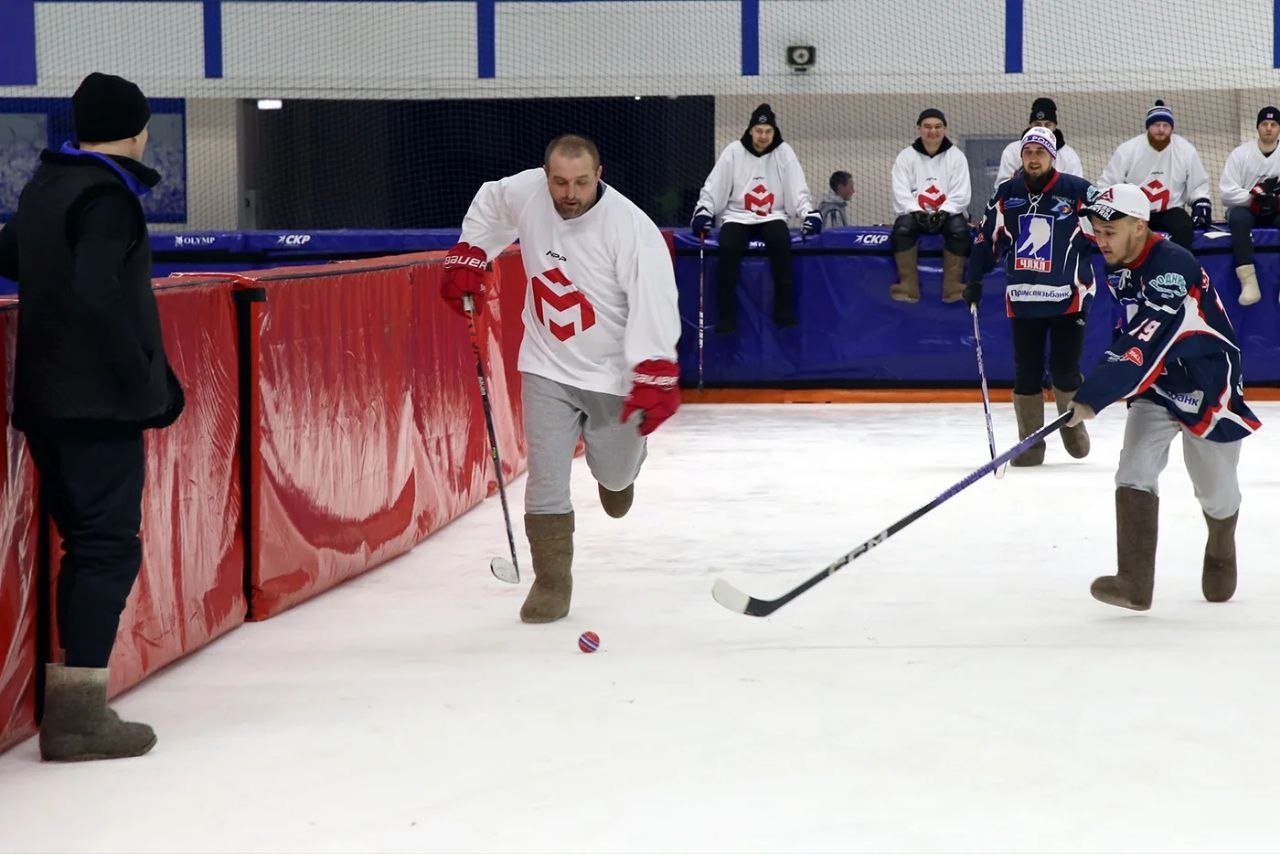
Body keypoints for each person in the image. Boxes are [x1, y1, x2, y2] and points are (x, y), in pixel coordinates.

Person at [0, 72, 184, 761]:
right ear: (139, 131)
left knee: (86, 545)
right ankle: (78, 717)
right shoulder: (108, 197)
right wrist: (148, 382)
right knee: (107, 547)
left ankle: (73, 704)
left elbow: (14, 256)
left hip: (44, 400)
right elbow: (97, 294)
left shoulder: (45, 186)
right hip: (96, 406)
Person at [440, 135, 681, 624]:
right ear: (545, 174)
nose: (569, 193)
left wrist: (655, 368)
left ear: (600, 174)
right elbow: (490, 202)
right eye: (559, 181)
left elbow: (654, 301)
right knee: (546, 477)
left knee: (613, 478)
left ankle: (622, 471)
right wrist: (472, 250)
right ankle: (551, 582)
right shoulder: (527, 192)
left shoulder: (631, 228)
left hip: (612, 376)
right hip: (546, 363)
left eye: (581, 182)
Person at [1068, 183, 1260, 611]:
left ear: (1140, 226)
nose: (1101, 240)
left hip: (1207, 382)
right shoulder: (1120, 258)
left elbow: (1145, 337)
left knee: (1215, 490)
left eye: (1110, 231)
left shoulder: (1173, 266)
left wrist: (1092, 395)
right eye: (1097, 230)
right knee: (1133, 469)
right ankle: (1135, 584)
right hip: (1157, 382)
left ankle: (1221, 541)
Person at [965, 127, 1097, 465]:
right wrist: (974, 278)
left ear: (1052, 157)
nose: (1033, 158)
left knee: (1065, 370)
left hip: (1069, 297)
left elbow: (1110, 228)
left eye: (1040, 152)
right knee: (1027, 372)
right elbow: (984, 237)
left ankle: (1072, 427)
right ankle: (1031, 445)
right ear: (1021, 157)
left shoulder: (1078, 191)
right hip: (1024, 296)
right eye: (1028, 152)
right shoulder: (1006, 194)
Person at [690, 104, 820, 334]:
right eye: (759, 130)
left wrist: (807, 212)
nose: (763, 136)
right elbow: (715, 185)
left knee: (781, 243)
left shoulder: (784, 152)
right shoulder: (733, 151)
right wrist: (704, 210)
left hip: (772, 216)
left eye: (768, 131)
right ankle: (727, 318)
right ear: (750, 130)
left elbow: (797, 186)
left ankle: (783, 312)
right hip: (737, 216)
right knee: (728, 248)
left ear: (774, 132)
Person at [1099, 100, 1211, 250]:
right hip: (1135, 210)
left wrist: (1200, 203)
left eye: (1166, 125)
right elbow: (1108, 182)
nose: (1161, 129)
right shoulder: (1128, 150)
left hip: (1171, 210)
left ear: (1172, 128)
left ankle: (1179, 270)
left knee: (1184, 228)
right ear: (1147, 127)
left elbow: (1198, 184)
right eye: (1156, 125)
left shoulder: (1185, 150)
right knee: (1126, 233)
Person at [888, 108, 972, 303]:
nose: (932, 131)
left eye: (937, 126)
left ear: (945, 129)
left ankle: (953, 287)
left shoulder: (957, 157)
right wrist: (916, 211)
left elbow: (961, 193)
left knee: (959, 230)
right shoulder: (905, 157)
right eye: (927, 126)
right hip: (916, 215)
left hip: (947, 215)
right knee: (902, 229)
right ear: (919, 129)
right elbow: (900, 191)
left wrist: (944, 212)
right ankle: (908, 286)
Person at [1218, 105, 1280, 306]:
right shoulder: (1240, 154)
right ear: (1257, 127)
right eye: (1264, 124)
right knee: (1237, 218)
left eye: (1273, 124)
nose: (1269, 128)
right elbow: (1226, 193)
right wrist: (1254, 198)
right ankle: (1248, 281)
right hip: (1247, 210)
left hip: (1277, 210)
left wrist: (1275, 201)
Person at [993, 97, 1085, 187]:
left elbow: (1077, 189)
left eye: (1048, 125)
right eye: (1037, 124)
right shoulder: (1013, 150)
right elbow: (1001, 187)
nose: (1042, 129)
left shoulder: (1069, 155)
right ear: (1030, 125)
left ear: (1055, 126)